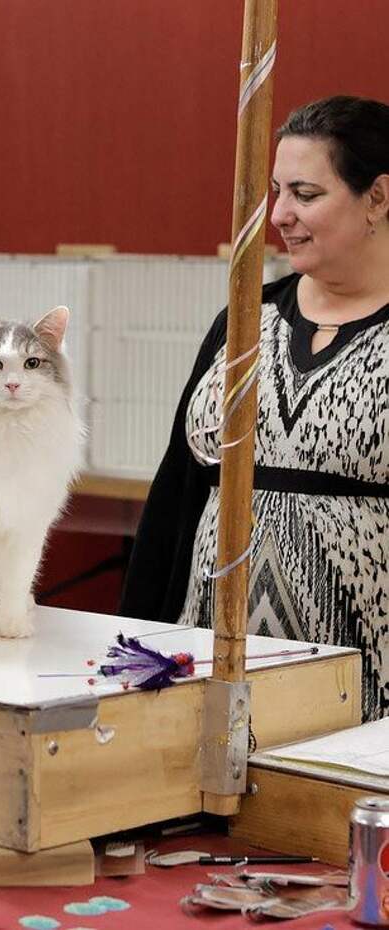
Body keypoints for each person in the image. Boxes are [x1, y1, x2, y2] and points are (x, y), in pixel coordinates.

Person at [119, 96, 388, 722]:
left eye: (305, 193)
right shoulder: (242, 322)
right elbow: (177, 498)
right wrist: (136, 648)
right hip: (214, 673)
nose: (280, 215)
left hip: (364, 690)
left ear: (377, 198)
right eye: (276, 191)